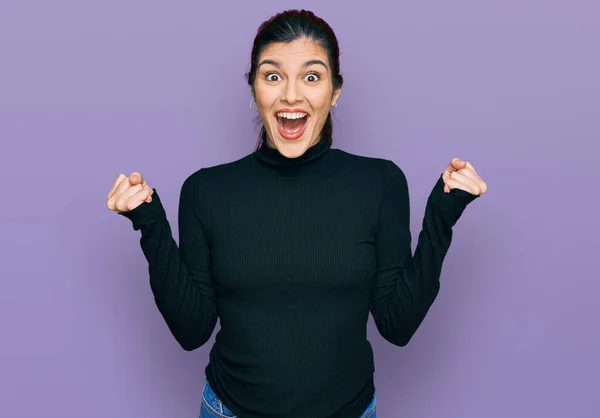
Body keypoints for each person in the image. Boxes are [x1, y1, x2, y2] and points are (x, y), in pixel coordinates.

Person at [106, 9, 487, 418]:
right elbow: (192, 330)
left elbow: (397, 325)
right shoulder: (205, 191)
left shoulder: (380, 184)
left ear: (335, 91)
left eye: (311, 76)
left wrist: (443, 214)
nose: (290, 96)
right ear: (254, 88)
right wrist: (149, 220)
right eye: (273, 76)